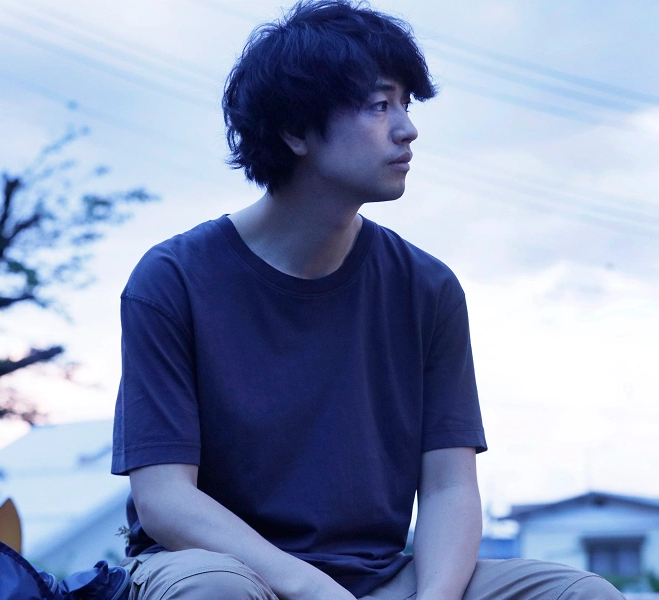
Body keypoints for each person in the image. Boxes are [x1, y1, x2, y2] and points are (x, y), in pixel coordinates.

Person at [111, 2, 625, 599]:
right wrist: (311, 589)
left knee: (582, 595)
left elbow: (448, 488)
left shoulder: (427, 288)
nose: (407, 128)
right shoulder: (171, 279)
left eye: (406, 104)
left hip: (381, 576)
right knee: (216, 591)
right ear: (295, 130)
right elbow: (164, 499)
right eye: (380, 105)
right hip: (217, 567)